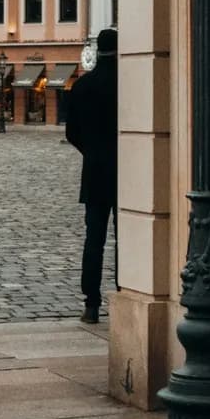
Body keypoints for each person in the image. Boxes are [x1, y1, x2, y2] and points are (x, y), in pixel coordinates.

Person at [65, 28, 119, 323]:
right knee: (127, 238)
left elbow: (71, 132)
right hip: (127, 171)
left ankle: (91, 303)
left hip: (95, 170)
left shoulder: (82, 86)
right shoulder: (128, 82)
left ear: (97, 50)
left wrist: (92, 151)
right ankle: (126, 291)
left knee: (94, 239)